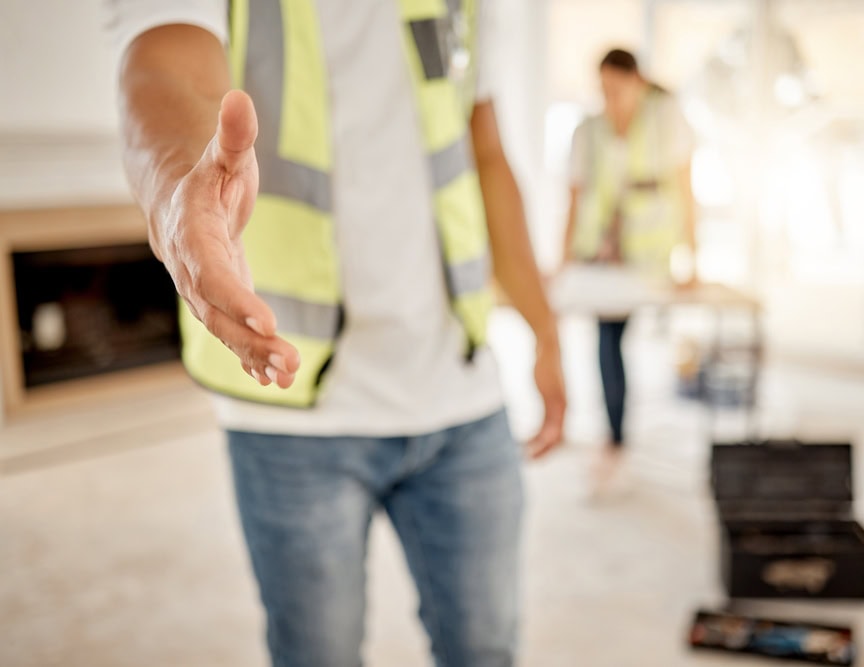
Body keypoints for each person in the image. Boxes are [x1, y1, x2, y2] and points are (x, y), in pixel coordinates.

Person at [111, 2, 566, 666]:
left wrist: (545, 332)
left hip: (461, 394)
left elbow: (486, 153)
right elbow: (162, 67)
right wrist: (181, 191)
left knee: (486, 648)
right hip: (292, 413)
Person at [562, 48, 697, 490]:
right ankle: (615, 438)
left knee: (627, 340)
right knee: (607, 340)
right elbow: (576, 197)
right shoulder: (589, 130)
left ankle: (617, 436)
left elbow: (684, 187)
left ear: (637, 82)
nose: (609, 98)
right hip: (602, 258)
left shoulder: (666, 118)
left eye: (615, 88)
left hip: (649, 258)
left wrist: (692, 257)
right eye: (602, 89)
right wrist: (562, 261)